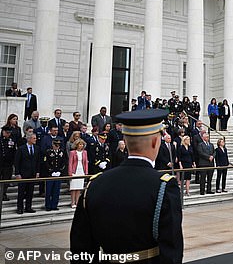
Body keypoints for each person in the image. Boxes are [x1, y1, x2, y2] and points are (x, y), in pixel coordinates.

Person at [70, 108, 183, 263]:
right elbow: (171, 250)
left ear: (126, 139)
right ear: (156, 141)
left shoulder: (94, 184)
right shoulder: (164, 185)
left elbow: (80, 249)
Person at [14, 132, 39, 214]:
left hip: (32, 173)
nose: (36, 140)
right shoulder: (21, 149)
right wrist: (17, 173)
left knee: (30, 192)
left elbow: (37, 161)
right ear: (29, 139)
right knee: (21, 192)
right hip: (23, 174)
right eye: (34, 138)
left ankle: (28, 207)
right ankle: (20, 208)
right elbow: (17, 162)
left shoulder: (36, 148)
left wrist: (37, 172)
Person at [44, 139, 66, 211]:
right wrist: (51, 171)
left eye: (58, 145)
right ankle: (48, 206)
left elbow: (63, 162)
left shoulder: (61, 152)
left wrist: (60, 171)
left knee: (56, 191)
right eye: (56, 145)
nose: (57, 147)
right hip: (50, 174)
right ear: (52, 145)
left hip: (58, 174)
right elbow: (46, 162)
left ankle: (54, 205)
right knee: (49, 191)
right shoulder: (48, 152)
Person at [68, 138, 88, 208]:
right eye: (80, 144)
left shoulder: (85, 152)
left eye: (82, 144)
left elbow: (86, 163)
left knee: (79, 187)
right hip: (74, 171)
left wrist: (86, 172)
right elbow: (70, 163)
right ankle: (72, 202)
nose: (81, 146)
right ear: (77, 145)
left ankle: (77, 202)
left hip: (81, 170)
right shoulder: (72, 152)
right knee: (73, 187)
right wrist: (70, 173)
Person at [0, 125, 17, 201]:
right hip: (1, 163)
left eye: (9, 133)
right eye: (7, 133)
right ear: (3, 132)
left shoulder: (11, 141)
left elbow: (13, 151)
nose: (8, 134)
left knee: (6, 180)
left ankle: (3, 193)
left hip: (8, 164)